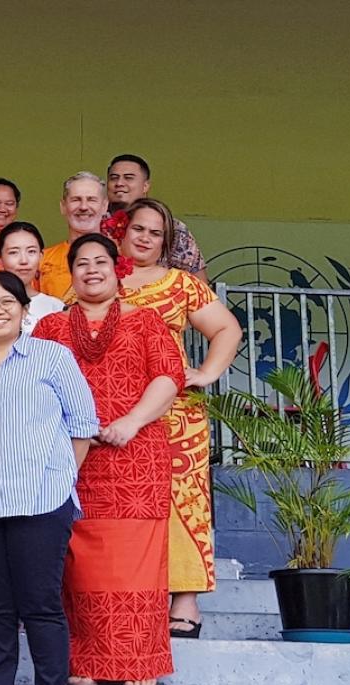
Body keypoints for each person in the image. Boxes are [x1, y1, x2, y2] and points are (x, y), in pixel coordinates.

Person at [33, 234, 183, 685]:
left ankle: (139, 663)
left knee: (136, 563)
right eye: (82, 263)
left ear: (117, 269)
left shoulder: (146, 321)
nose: (91, 270)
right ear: (71, 272)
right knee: (78, 564)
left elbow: (168, 377)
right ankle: (85, 660)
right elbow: (32, 387)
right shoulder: (52, 327)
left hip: (135, 457)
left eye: (101, 262)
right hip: (72, 459)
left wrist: (131, 422)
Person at [0, 271, 99, 685]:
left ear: (24, 310)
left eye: (7, 302)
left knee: (41, 608)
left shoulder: (52, 357)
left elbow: (83, 423)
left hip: (41, 500)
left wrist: (59, 479)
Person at [116, 198, 242, 637]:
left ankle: (185, 600)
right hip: (113, 408)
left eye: (156, 233)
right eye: (139, 229)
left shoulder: (182, 284)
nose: (145, 238)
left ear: (166, 242)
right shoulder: (101, 276)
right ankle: (126, 594)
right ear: (122, 230)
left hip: (175, 414)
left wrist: (206, 372)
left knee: (181, 501)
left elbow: (227, 329)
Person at [106, 154, 207, 282]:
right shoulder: (95, 224)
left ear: (145, 186)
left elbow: (199, 283)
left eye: (128, 178)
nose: (119, 183)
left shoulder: (173, 228)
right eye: (114, 178)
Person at [38, 172, 108, 301]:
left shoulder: (120, 258)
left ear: (104, 206)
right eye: (76, 200)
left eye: (91, 200)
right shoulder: (41, 260)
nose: (83, 207)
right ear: (63, 207)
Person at [0, 222, 64, 332]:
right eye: (13, 252)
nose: (24, 260)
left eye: (31, 251)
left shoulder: (55, 307)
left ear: (41, 256)